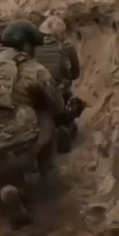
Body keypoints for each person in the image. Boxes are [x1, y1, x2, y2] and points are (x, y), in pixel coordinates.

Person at [0, 20, 66, 228]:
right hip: (20, 148)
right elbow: (58, 106)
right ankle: (47, 181)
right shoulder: (33, 69)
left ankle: (5, 192)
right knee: (47, 119)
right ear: (28, 46)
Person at [33, 15, 83, 153]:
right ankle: (64, 130)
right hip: (59, 92)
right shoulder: (66, 47)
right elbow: (75, 74)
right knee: (74, 105)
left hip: (36, 93)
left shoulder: (33, 48)